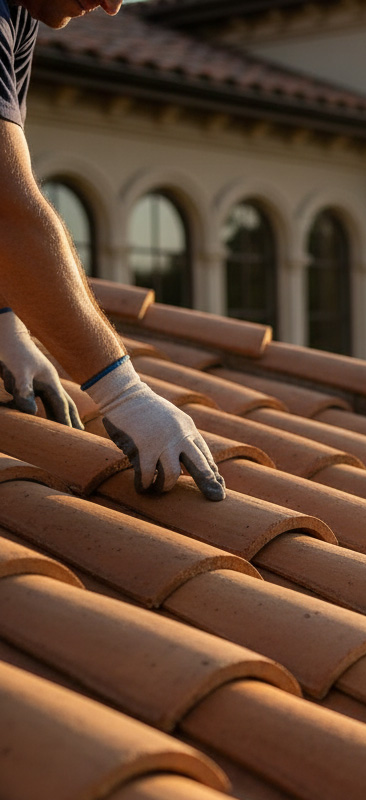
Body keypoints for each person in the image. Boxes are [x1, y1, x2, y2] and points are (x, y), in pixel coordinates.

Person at [0, 0, 226, 500]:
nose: (112, 4)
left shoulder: (19, 13)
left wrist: (4, 322)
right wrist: (123, 393)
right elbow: (8, 209)